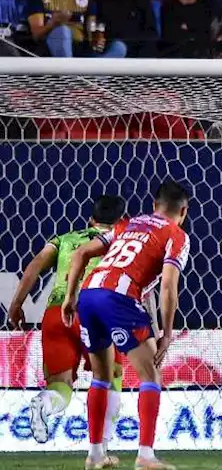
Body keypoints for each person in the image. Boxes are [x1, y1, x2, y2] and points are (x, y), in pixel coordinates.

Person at [61, 180, 193, 470]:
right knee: (150, 375)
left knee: (101, 376)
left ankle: (95, 455)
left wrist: (70, 298)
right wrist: (167, 334)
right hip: (118, 298)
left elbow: (81, 253)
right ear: (183, 211)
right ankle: (145, 456)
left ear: (153, 206)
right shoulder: (177, 235)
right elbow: (169, 286)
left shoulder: (127, 224)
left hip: (89, 295)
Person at [7, 195, 128, 445]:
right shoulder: (123, 241)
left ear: (90, 220)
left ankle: (44, 403)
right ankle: (101, 449)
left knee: (60, 386)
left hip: (58, 313)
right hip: (99, 309)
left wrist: (16, 304)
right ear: (119, 221)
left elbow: (35, 265)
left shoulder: (64, 239)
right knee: (110, 377)